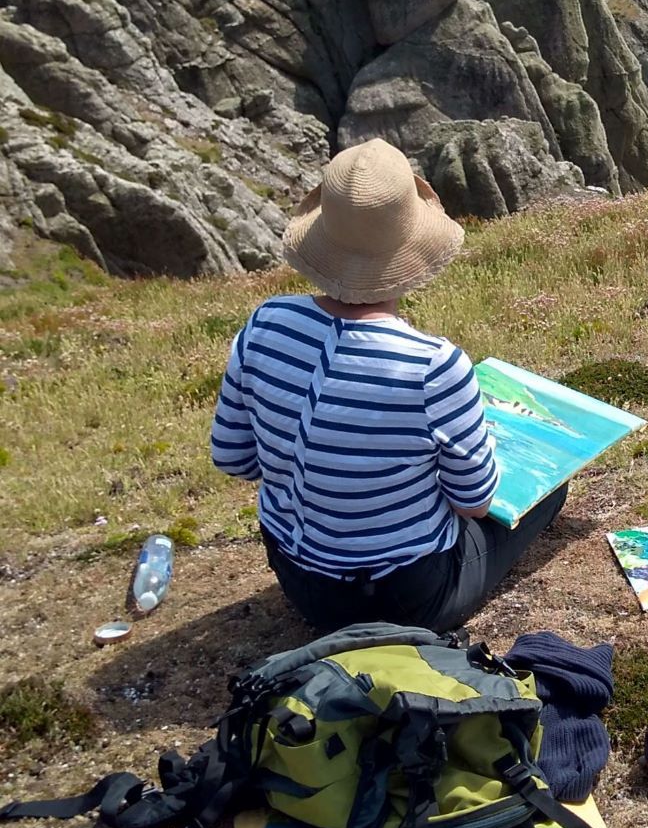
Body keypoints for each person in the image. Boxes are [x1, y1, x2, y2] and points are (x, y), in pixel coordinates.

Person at [209, 138, 567, 632]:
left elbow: (233, 459)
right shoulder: (433, 367)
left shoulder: (265, 323)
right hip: (402, 598)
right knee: (551, 489)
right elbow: (475, 502)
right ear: (412, 248)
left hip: (296, 578)